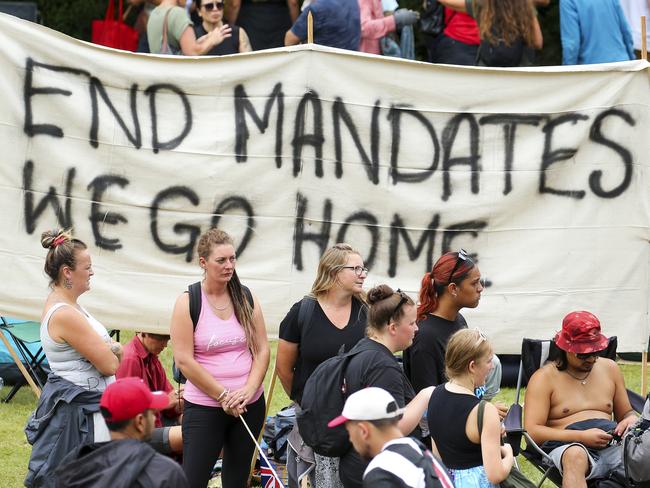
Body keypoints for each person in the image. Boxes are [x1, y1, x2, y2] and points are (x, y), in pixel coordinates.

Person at [171, 228, 270, 488]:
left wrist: (248, 390)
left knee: (237, 480)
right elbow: (184, 360)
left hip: (248, 404)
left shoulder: (246, 296)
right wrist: (223, 396)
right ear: (203, 263)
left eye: (233, 259)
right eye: (221, 260)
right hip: (205, 406)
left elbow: (262, 350)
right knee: (193, 479)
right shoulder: (188, 301)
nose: (229, 266)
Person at [25, 229, 122, 488]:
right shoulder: (65, 314)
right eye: (87, 267)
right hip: (81, 416)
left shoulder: (69, 305)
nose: (92, 272)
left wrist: (107, 348)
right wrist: (115, 349)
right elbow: (109, 364)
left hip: (88, 410)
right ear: (67, 272)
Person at [277, 243, 368, 488]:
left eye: (363, 268)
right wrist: (304, 401)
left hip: (359, 424)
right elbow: (284, 368)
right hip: (315, 423)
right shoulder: (303, 311)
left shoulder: (367, 313)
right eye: (356, 268)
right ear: (335, 272)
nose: (363, 274)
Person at [524, 311, 638, 488]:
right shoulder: (544, 378)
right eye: (583, 354)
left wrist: (631, 418)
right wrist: (580, 436)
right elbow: (532, 433)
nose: (592, 359)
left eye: (596, 352)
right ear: (566, 348)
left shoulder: (610, 368)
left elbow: (626, 413)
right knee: (575, 455)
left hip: (611, 443)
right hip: (568, 446)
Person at [337, 284, 435, 488]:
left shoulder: (364, 349)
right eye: (412, 323)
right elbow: (394, 426)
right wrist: (426, 395)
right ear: (392, 327)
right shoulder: (382, 366)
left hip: (360, 465)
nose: (417, 329)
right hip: (377, 473)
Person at [403, 250, 503, 410]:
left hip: (464, 416)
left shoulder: (459, 320)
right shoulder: (424, 337)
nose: (481, 288)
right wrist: (480, 413)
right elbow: (429, 406)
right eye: (474, 283)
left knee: (494, 362)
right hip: (438, 429)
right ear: (453, 289)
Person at [55, 377, 189, 487]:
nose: (155, 418)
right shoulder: (165, 472)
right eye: (152, 413)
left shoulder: (74, 464)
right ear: (140, 422)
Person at [427, 328, 514, 488]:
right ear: (472, 366)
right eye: (488, 361)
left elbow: (437, 455)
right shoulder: (484, 411)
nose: (492, 367)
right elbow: (495, 474)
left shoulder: (433, 395)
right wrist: (508, 454)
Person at [328, 387, 454, 488]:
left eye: (350, 432)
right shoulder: (420, 450)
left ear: (363, 430)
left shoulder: (383, 471)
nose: (350, 439)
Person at [116, 332, 183, 454]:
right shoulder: (130, 359)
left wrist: (180, 402)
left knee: (199, 425)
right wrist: (164, 402)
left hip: (156, 422)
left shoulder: (152, 358)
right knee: (191, 436)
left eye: (167, 339)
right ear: (143, 333)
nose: (165, 345)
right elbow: (128, 413)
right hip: (139, 434)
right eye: (161, 338)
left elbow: (171, 397)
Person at [437, 0, 542, 66]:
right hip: (518, 70)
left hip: (488, 68)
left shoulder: (483, 4)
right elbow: (538, 42)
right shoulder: (525, 5)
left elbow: (450, 2)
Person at [560, 0, 635, 65]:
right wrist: (632, 60)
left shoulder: (568, 1)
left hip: (594, 71)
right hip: (622, 64)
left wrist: (567, 73)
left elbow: (571, 45)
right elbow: (626, 31)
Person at [147, 0, 232, 55]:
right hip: (177, 79)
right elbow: (192, 53)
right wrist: (212, 40)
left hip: (160, 78)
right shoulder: (178, 13)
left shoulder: (154, 13)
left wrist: (198, 43)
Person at [284, 0, 361, 51]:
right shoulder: (353, 1)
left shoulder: (316, 8)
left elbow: (289, 40)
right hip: (349, 63)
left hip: (323, 66)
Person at [226, 0, 299, 50]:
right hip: (279, 20)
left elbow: (234, 4)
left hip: (250, 22)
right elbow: (293, 2)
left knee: (251, 62)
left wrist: (232, 28)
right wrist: (295, 29)